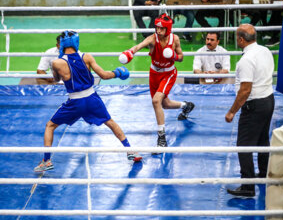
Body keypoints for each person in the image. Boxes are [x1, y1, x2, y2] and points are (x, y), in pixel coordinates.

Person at [34, 31, 142, 172]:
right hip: (92, 98)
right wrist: (117, 73)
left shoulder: (57, 63)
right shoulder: (87, 57)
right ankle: (131, 151)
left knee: (50, 126)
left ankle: (47, 161)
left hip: (74, 102)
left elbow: (55, 80)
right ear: (75, 42)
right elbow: (104, 75)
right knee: (110, 122)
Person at [119, 13, 195, 150]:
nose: (158, 31)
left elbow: (181, 57)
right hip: (154, 74)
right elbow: (139, 46)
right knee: (164, 104)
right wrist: (130, 52)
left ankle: (161, 137)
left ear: (168, 29)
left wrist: (173, 56)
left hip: (169, 73)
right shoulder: (152, 39)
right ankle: (186, 105)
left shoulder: (175, 39)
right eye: (157, 28)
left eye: (161, 29)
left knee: (156, 101)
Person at [225, 24, 275, 197]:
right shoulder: (265, 51)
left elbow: (245, 90)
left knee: (244, 145)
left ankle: (247, 186)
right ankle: (263, 174)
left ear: (240, 39)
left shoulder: (245, 60)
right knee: (262, 141)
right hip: (268, 100)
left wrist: (232, 111)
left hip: (254, 105)